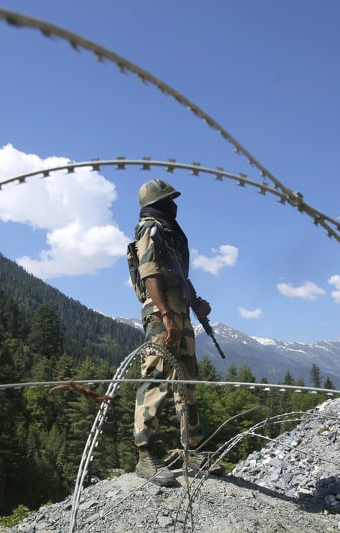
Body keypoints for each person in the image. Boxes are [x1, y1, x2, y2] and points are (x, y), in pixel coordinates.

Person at [129, 178, 224, 487]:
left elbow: (177, 275)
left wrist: (194, 303)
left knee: (186, 379)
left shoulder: (167, 231)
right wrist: (167, 315)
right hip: (162, 314)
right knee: (156, 377)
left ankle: (192, 450)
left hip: (177, 311)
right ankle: (146, 455)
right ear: (158, 203)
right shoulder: (150, 228)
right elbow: (150, 273)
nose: (175, 204)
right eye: (170, 200)